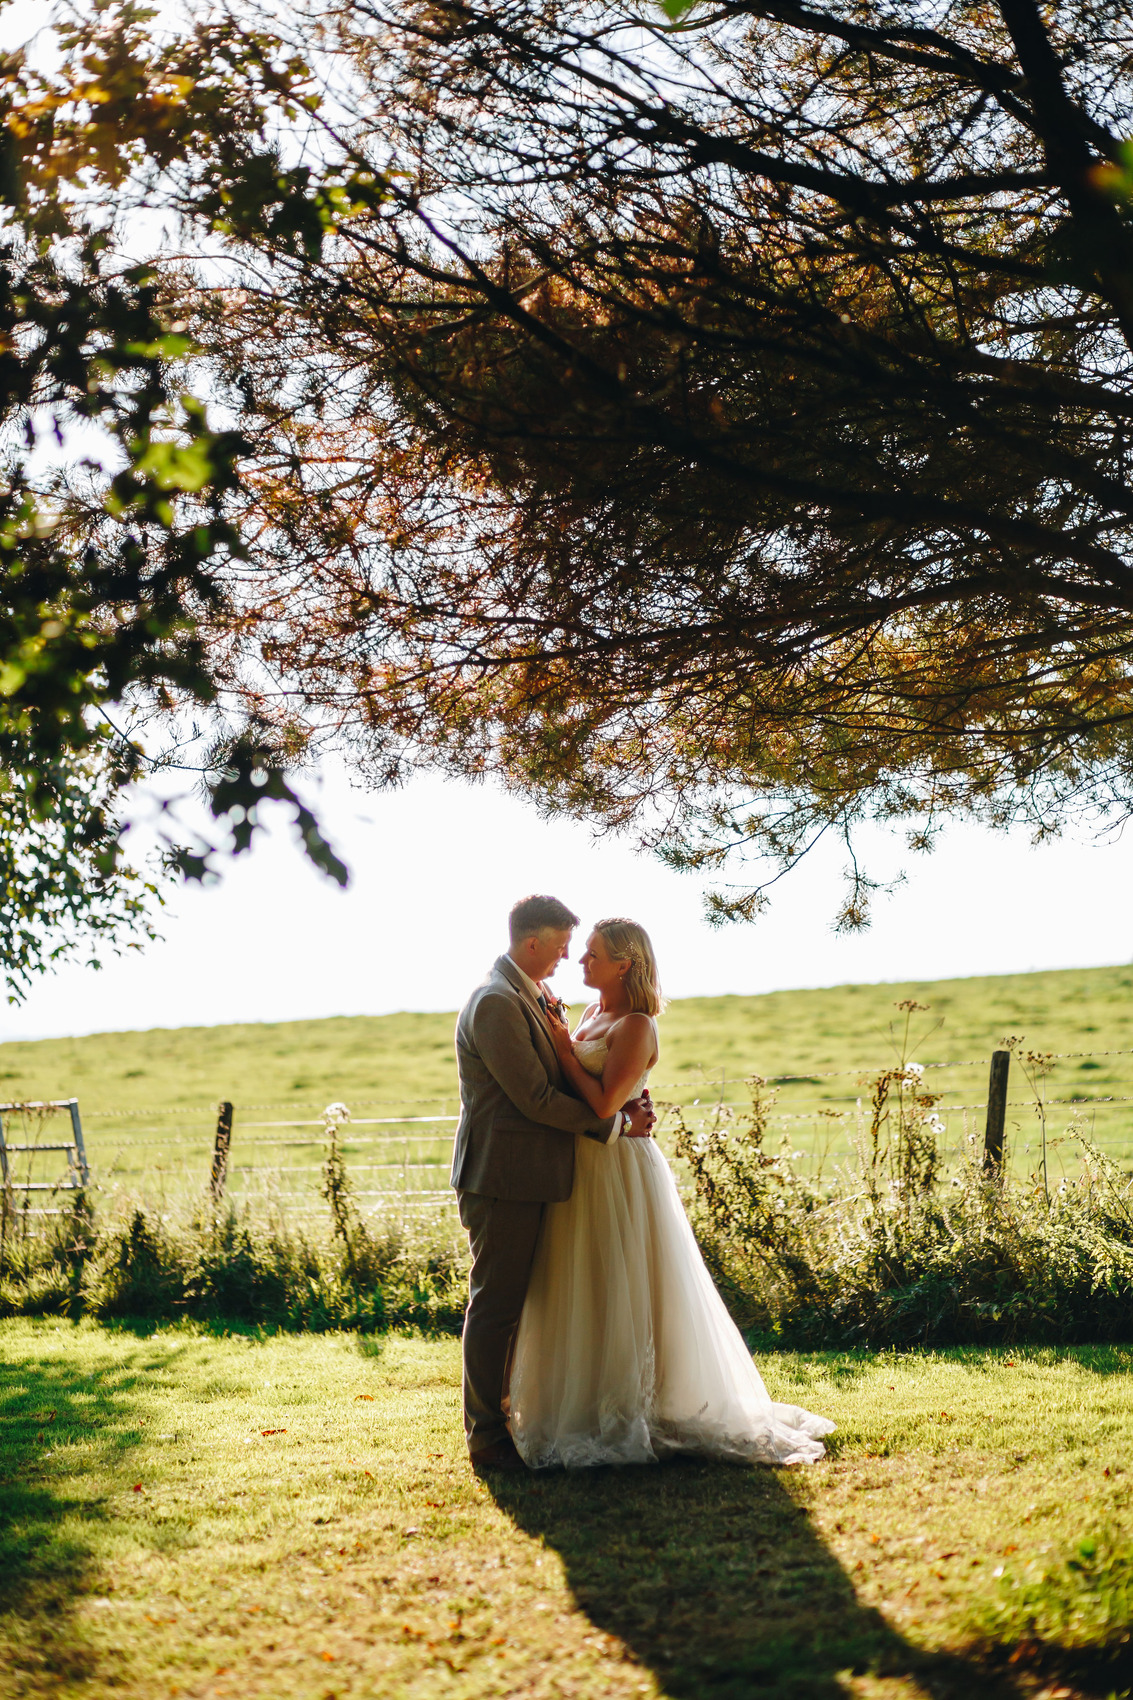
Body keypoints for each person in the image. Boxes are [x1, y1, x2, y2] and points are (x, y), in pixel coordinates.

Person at [508, 917, 835, 1468]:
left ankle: (641, 1404)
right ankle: (579, 1402)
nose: (581, 962)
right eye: (582, 952)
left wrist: (566, 1055)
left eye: (593, 954)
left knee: (626, 1279)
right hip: (583, 1163)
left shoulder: (637, 1024)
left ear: (624, 964)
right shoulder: (590, 1013)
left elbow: (609, 1103)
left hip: (619, 1165)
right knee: (582, 1278)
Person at [451, 895, 656, 1472]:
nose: (569, 957)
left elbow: (571, 1078)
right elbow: (536, 1099)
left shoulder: (533, 996)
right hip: (502, 1176)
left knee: (526, 1305)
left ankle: (517, 1416)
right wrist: (614, 1123)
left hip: (539, 1175)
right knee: (497, 1305)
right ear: (532, 941)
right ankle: (487, 1437)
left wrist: (622, 1096)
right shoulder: (495, 1003)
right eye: (564, 945)